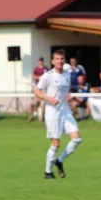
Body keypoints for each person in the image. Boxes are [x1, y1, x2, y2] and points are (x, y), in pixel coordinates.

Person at [34, 49, 83, 179]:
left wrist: (68, 96)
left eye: (62, 59)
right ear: (53, 61)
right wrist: (49, 98)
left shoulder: (67, 74)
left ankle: (59, 161)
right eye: (57, 59)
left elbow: (65, 91)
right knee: (56, 143)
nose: (60, 61)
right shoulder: (48, 75)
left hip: (65, 110)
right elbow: (37, 91)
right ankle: (48, 172)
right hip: (52, 112)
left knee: (77, 139)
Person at [28, 57, 48, 122]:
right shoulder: (36, 69)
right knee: (30, 103)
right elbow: (33, 76)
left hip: (44, 88)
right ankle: (31, 116)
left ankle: (41, 117)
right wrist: (39, 77)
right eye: (40, 61)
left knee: (43, 103)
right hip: (38, 88)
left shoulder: (46, 68)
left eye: (42, 61)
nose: (40, 62)